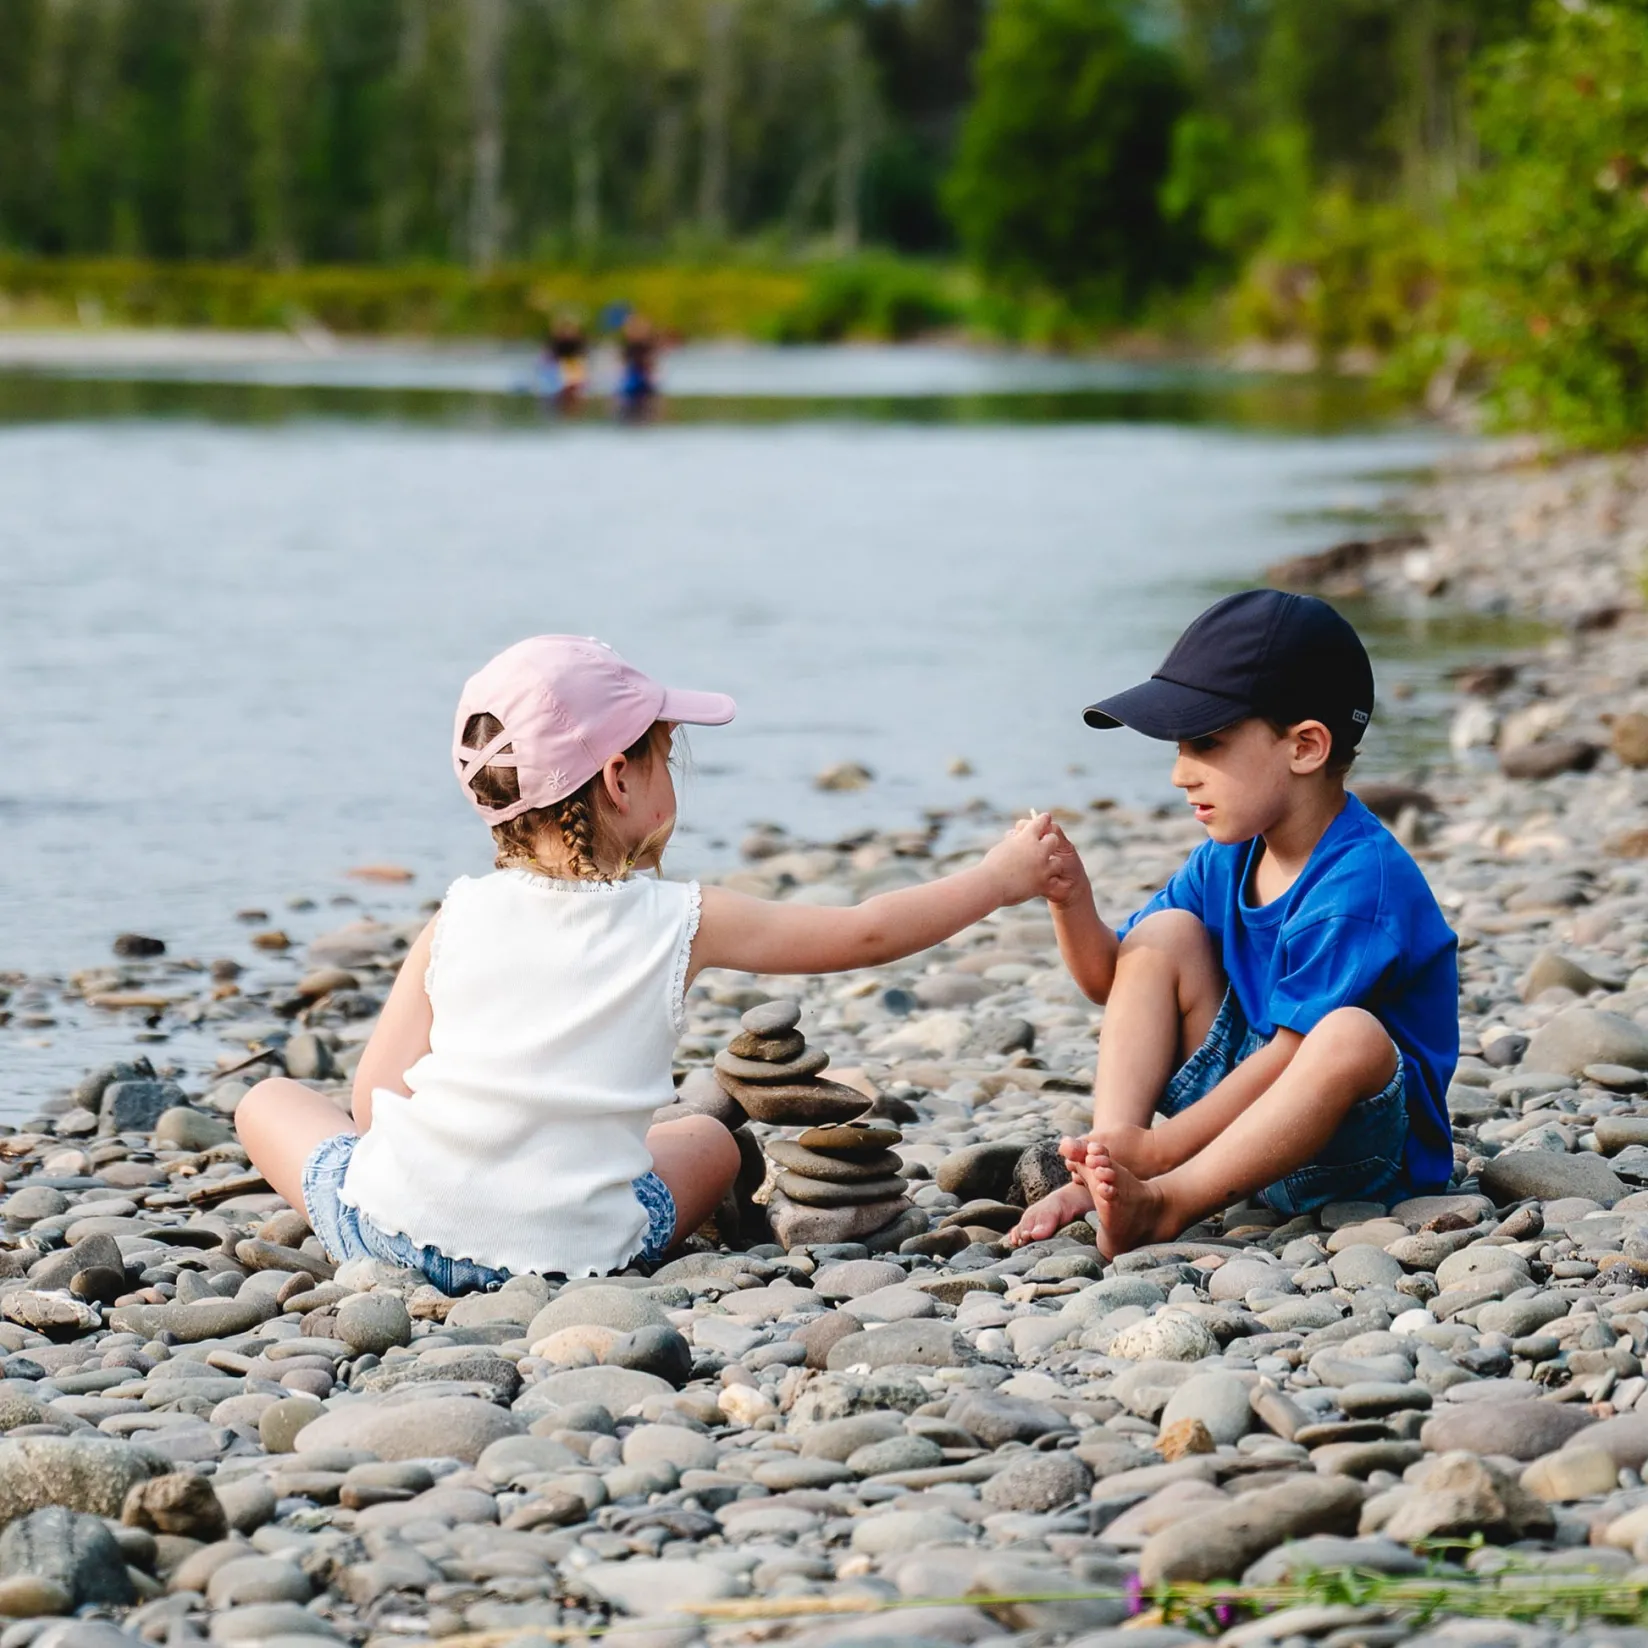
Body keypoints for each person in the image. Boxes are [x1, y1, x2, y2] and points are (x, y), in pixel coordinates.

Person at [237, 636, 1061, 1288]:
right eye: (666, 757)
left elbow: (372, 1103)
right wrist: (999, 878)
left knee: (268, 1099)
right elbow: (864, 933)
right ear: (619, 779)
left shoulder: (458, 913)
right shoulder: (682, 918)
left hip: (390, 1233)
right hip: (575, 1255)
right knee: (708, 1142)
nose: (673, 776)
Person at [1007, 589, 1458, 1259]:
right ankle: (1111, 1169)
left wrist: (1165, 1147)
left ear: (1305, 747)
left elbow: (1293, 1054)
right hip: (1237, 1137)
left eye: (1205, 743)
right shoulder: (1230, 856)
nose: (1179, 775)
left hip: (1356, 1153)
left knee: (1348, 1035)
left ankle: (1166, 1200)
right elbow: (1112, 979)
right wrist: (1069, 900)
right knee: (1162, 936)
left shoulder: (1360, 884)